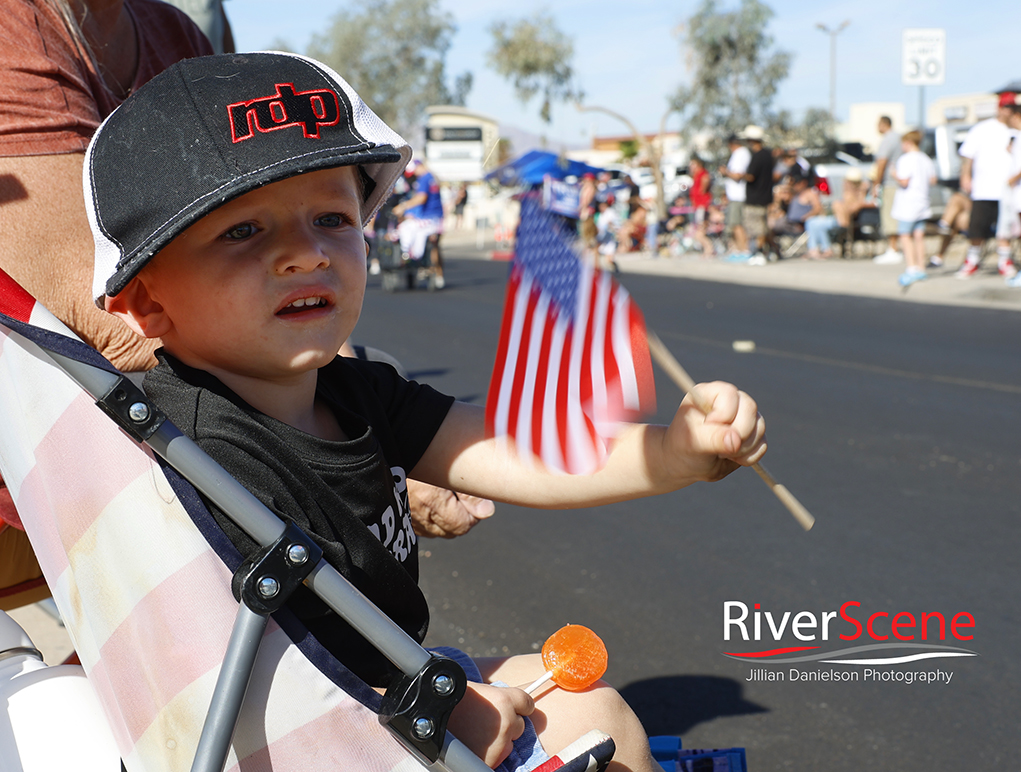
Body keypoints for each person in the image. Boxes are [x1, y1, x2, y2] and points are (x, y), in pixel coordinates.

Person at [91, 53, 766, 772]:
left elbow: (512, 450)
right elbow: (217, 680)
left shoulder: (355, 389)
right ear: (146, 301)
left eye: (330, 216)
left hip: (385, 690)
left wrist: (671, 453)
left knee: (569, 685)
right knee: (595, 715)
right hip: (298, 735)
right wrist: (428, 710)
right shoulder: (191, 456)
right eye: (242, 232)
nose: (305, 253)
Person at [0, 0, 214, 608]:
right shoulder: (17, 21)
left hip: (117, 460)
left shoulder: (174, 33)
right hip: (44, 474)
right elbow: (99, 306)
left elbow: (268, 243)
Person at [955, 92, 1019, 280]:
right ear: (999, 108)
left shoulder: (1016, 131)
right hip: (984, 188)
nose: (1009, 111)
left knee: (1005, 228)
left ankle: (1004, 262)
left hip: (1009, 191)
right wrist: (966, 176)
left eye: (1012, 108)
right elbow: (968, 155)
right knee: (977, 227)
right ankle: (973, 260)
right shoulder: (982, 129)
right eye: (1006, 107)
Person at [890, 130, 937, 287]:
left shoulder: (906, 159)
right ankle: (921, 268)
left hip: (908, 203)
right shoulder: (926, 159)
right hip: (922, 201)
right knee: (919, 236)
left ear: (908, 142)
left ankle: (911, 268)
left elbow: (904, 181)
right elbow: (933, 179)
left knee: (905, 235)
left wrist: (894, 174)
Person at [394, 158, 446, 288]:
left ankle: (409, 255)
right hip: (435, 218)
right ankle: (438, 274)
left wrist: (403, 206)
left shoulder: (424, 179)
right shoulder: (432, 178)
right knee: (434, 247)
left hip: (428, 219)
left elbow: (421, 198)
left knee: (407, 229)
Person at [739, 125, 777, 262]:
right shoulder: (768, 155)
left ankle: (760, 253)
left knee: (757, 228)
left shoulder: (758, 156)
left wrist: (738, 175)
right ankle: (772, 251)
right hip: (766, 196)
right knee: (763, 226)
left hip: (755, 197)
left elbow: (751, 176)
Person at [872, 116, 905, 264]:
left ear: (883, 124)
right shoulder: (899, 138)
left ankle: (893, 249)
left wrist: (876, 183)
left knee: (889, 216)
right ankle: (896, 248)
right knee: (897, 215)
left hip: (890, 183)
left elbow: (882, 162)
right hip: (899, 182)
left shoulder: (888, 139)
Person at [719, 134, 751, 259]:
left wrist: (725, 172)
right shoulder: (738, 154)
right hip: (734, 196)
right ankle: (739, 250)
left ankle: (744, 251)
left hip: (739, 196)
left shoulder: (741, 154)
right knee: (734, 224)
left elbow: (738, 175)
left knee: (737, 224)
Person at [687, 156, 716, 257]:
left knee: (700, 229)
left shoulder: (703, 174)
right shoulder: (696, 175)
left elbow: (704, 187)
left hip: (702, 205)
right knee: (699, 228)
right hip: (697, 205)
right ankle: (707, 249)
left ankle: (709, 248)